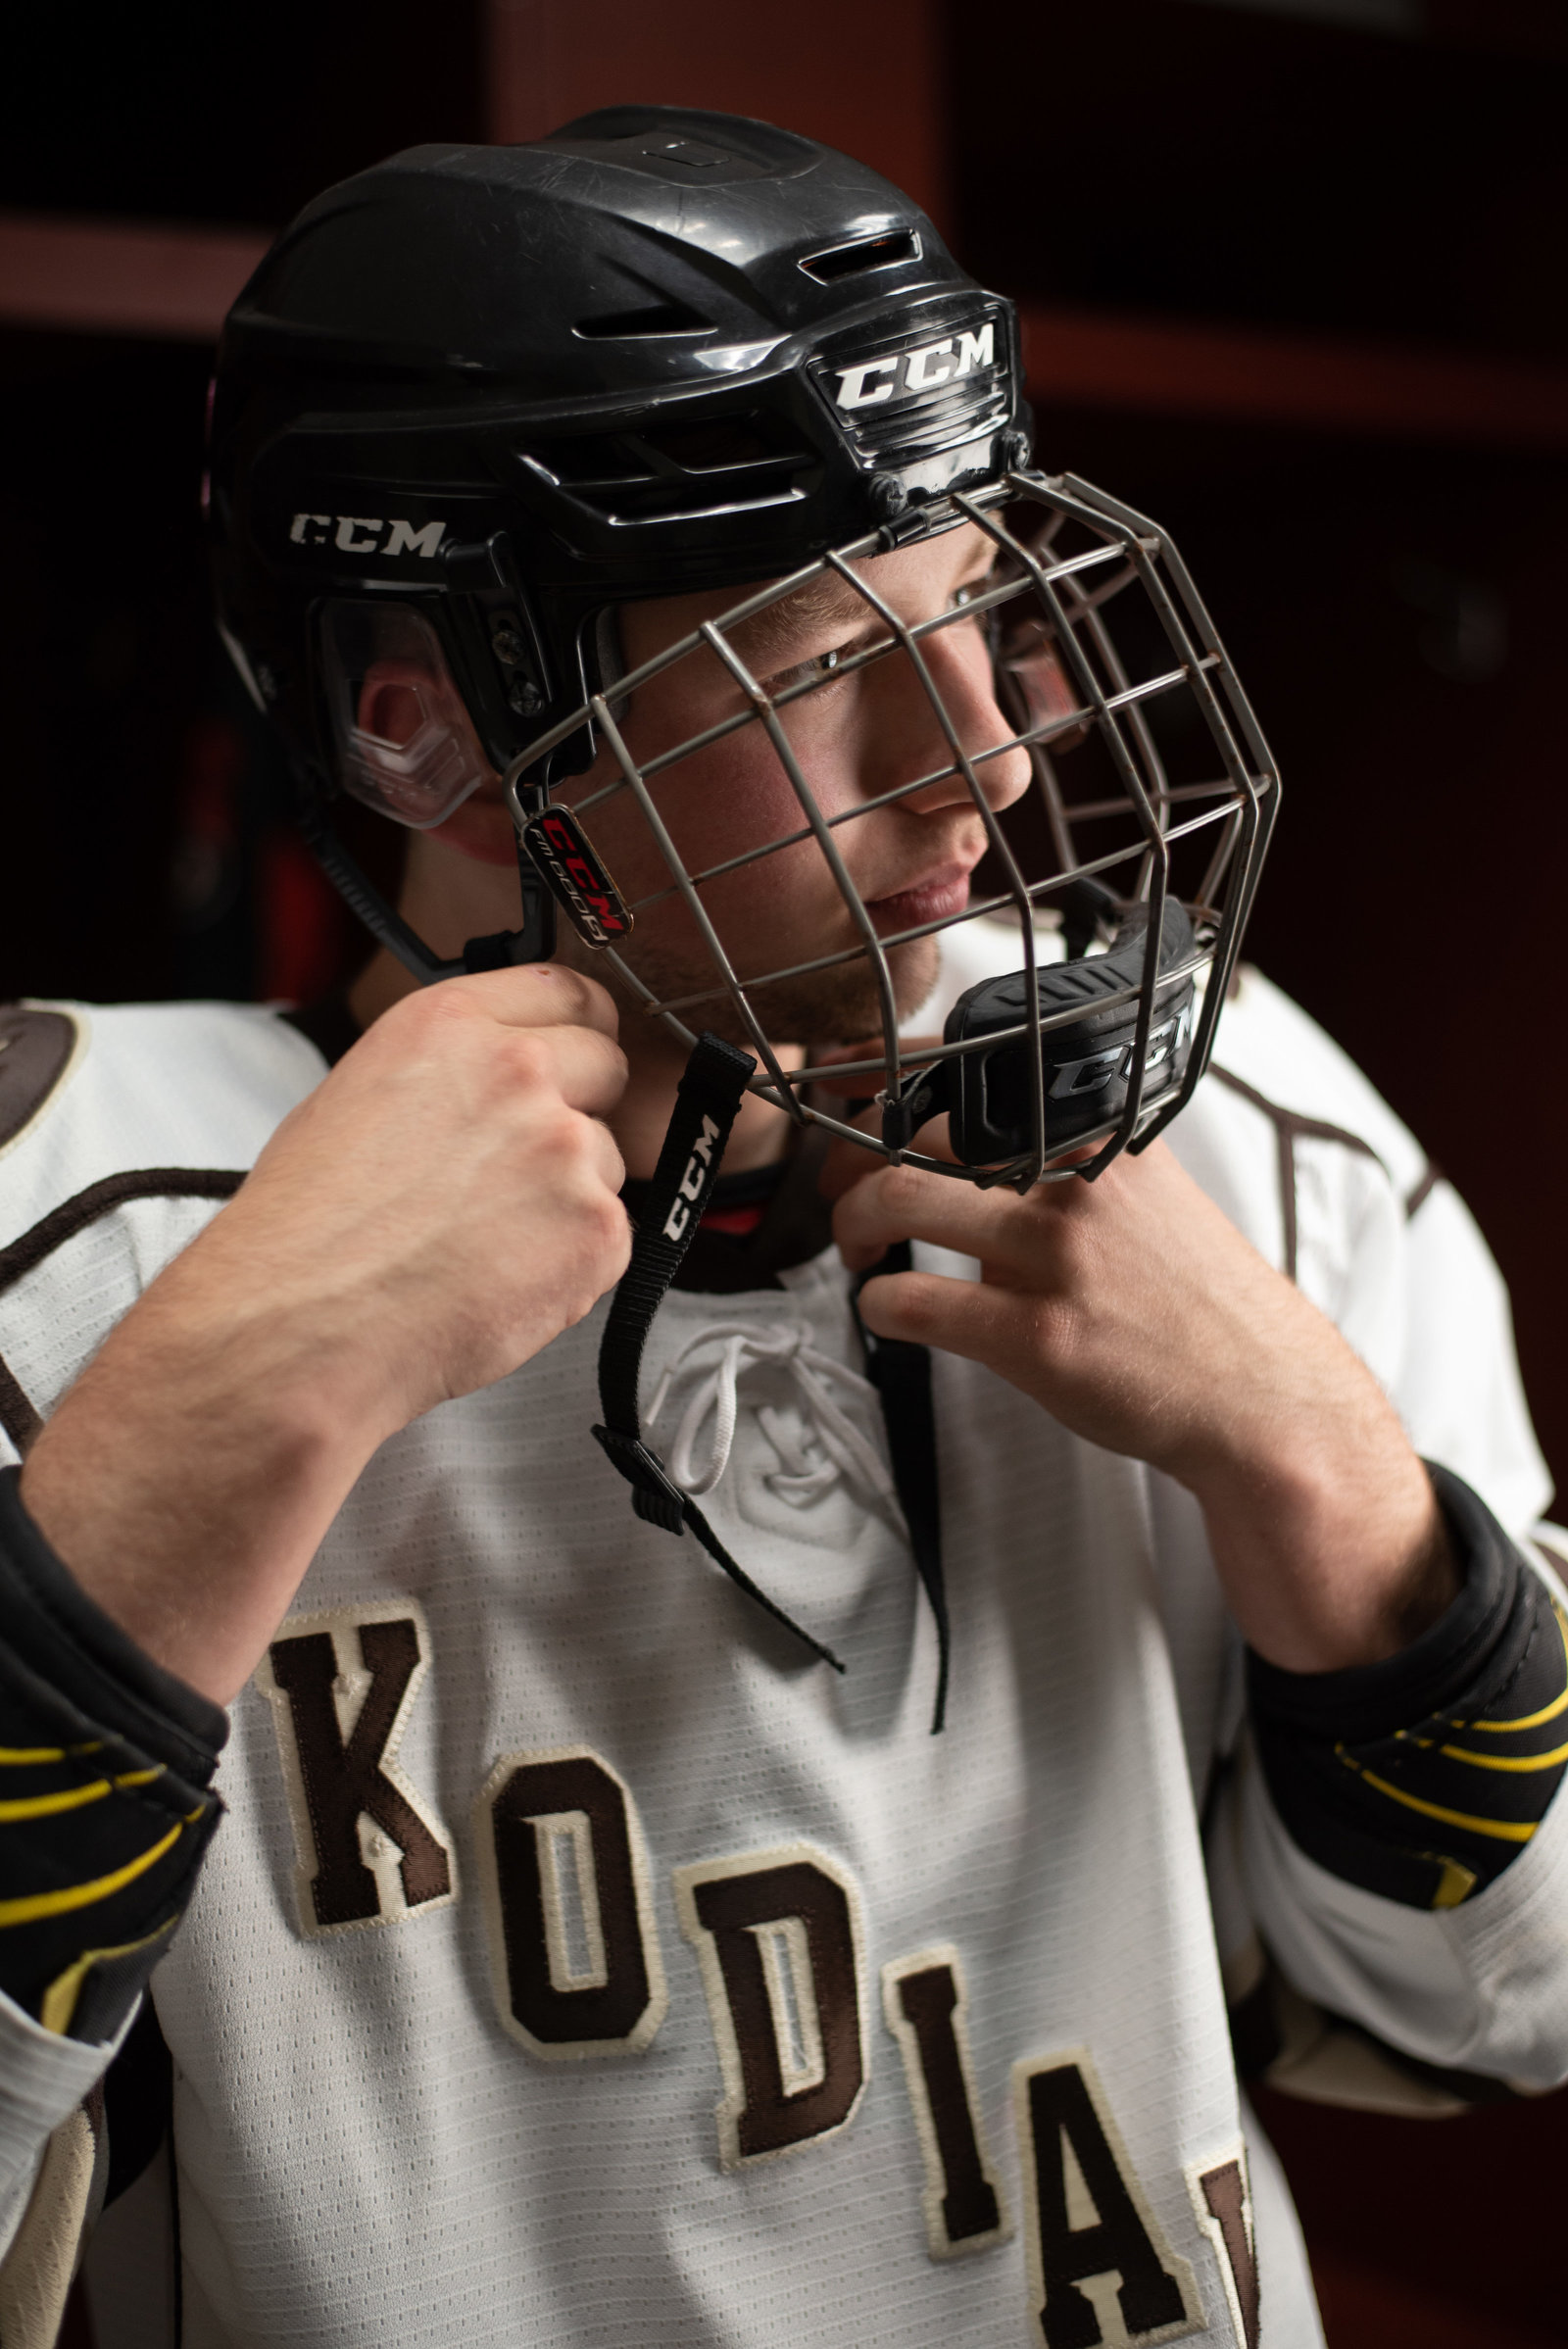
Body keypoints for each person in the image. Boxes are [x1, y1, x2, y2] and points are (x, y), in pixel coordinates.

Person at [1, 109, 1565, 2349]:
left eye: (978, 614)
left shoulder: (1216, 1120)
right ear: (422, 728)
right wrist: (218, 1411)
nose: (985, 760)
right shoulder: (53, 1219)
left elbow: (1524, 1991)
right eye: (818, 660)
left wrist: (1324, 1485)